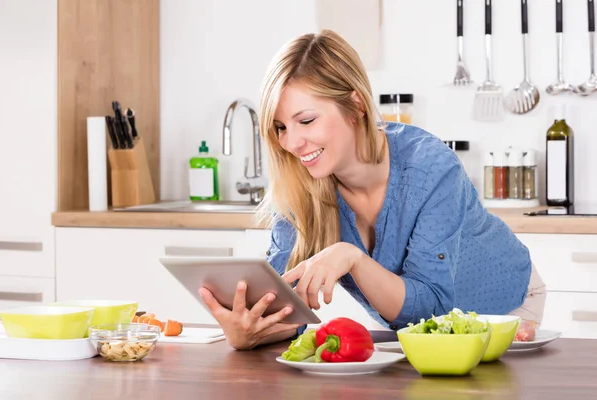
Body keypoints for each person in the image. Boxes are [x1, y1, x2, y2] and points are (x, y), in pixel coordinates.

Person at [199, 30, 547, 350]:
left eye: (306, 121)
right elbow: (284, 306)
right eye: (280, 127)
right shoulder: (300, 185)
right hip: (420, 329)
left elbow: (430, 307)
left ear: (355, 106)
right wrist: (247, 330)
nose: (291, 142)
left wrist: (351, 258)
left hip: (503, 306)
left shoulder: (430, 168)